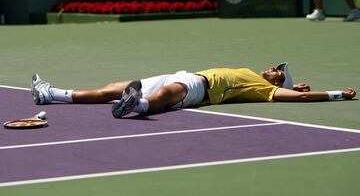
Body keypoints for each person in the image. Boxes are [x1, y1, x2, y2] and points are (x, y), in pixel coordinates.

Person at [31, 62, 357, 118]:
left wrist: (337, 94)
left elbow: (298, 97)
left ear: (276, 82)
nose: (274, 69)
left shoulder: (263, 89)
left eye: (278, 72)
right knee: (113, 88)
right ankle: (52, 93)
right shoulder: (251, 73)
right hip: (187, 74)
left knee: (170, 94)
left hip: (200, 87)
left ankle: (139, 107)